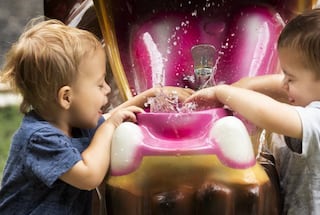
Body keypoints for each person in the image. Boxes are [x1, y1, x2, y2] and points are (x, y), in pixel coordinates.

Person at [185, 4, 320, 214]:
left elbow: (268, 115)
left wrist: (224, 93)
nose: (284, 83)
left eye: (291, 77)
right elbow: (279, 83)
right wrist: (248, 85)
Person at [0, 18, 192, 215]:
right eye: (100, 84)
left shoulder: (75, 123)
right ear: (67, 97)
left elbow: (112, 117)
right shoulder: (39, 139)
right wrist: (109, 128)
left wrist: (149, 96)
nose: (108, 90)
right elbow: (89, 176)